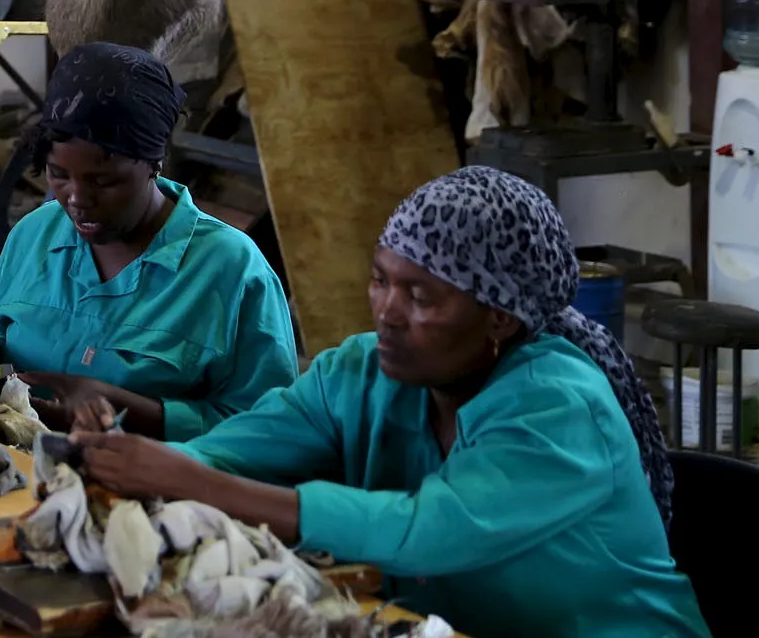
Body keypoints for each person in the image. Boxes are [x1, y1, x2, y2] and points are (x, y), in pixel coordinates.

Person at [72, 165, 708, 638]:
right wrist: (130, 453)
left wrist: (191, 480)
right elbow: (229, 453)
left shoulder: (559, 407)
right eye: (381, 281)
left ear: (499, 320)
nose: (388, 314)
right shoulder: (359, 371)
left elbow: (428, 530)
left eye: (422, 298)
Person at [0, 40, 295, 439]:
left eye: (104, 181)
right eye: (58, 175)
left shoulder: (231, 270)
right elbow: (13, 368)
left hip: (156, 491)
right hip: (18, 467)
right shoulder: (35, 235)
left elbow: (271, 431)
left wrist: (128, 410)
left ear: (153, 165)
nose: (76, 199)